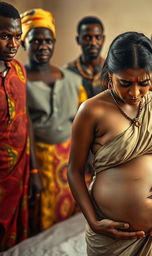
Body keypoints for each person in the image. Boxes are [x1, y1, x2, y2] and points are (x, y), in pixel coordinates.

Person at [68, 32, 152, 256]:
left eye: (144, 83)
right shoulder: (92, 110)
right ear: (110, 75)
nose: (135, 93)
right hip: (115, 237)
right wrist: (94, 222)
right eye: (124, 83)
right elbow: (74, 171)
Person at [21, 8, 87, 231]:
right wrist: (34, 172)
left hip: (70, 158)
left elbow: (84, 124)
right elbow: (24, 127)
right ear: (23, 44)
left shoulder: (72, 80)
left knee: (72, 217)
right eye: (35, 41)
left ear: (54, 42)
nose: (43, 46)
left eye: (48, 41)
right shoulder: (19, 81)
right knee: (43, 214)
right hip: (39, 159)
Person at [0, 2, 41, 251]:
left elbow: (25, 120)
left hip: (20, 174)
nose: (13, 44)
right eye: (4, 36)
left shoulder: (19, 71)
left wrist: (34, 171)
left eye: (17, 36)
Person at [66, 16, 105, 98]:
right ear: (78, 40)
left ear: (103, 39)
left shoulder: (112, 71)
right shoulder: (67, 73)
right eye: (87, 38)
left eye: (97, 37)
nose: (93, 42)